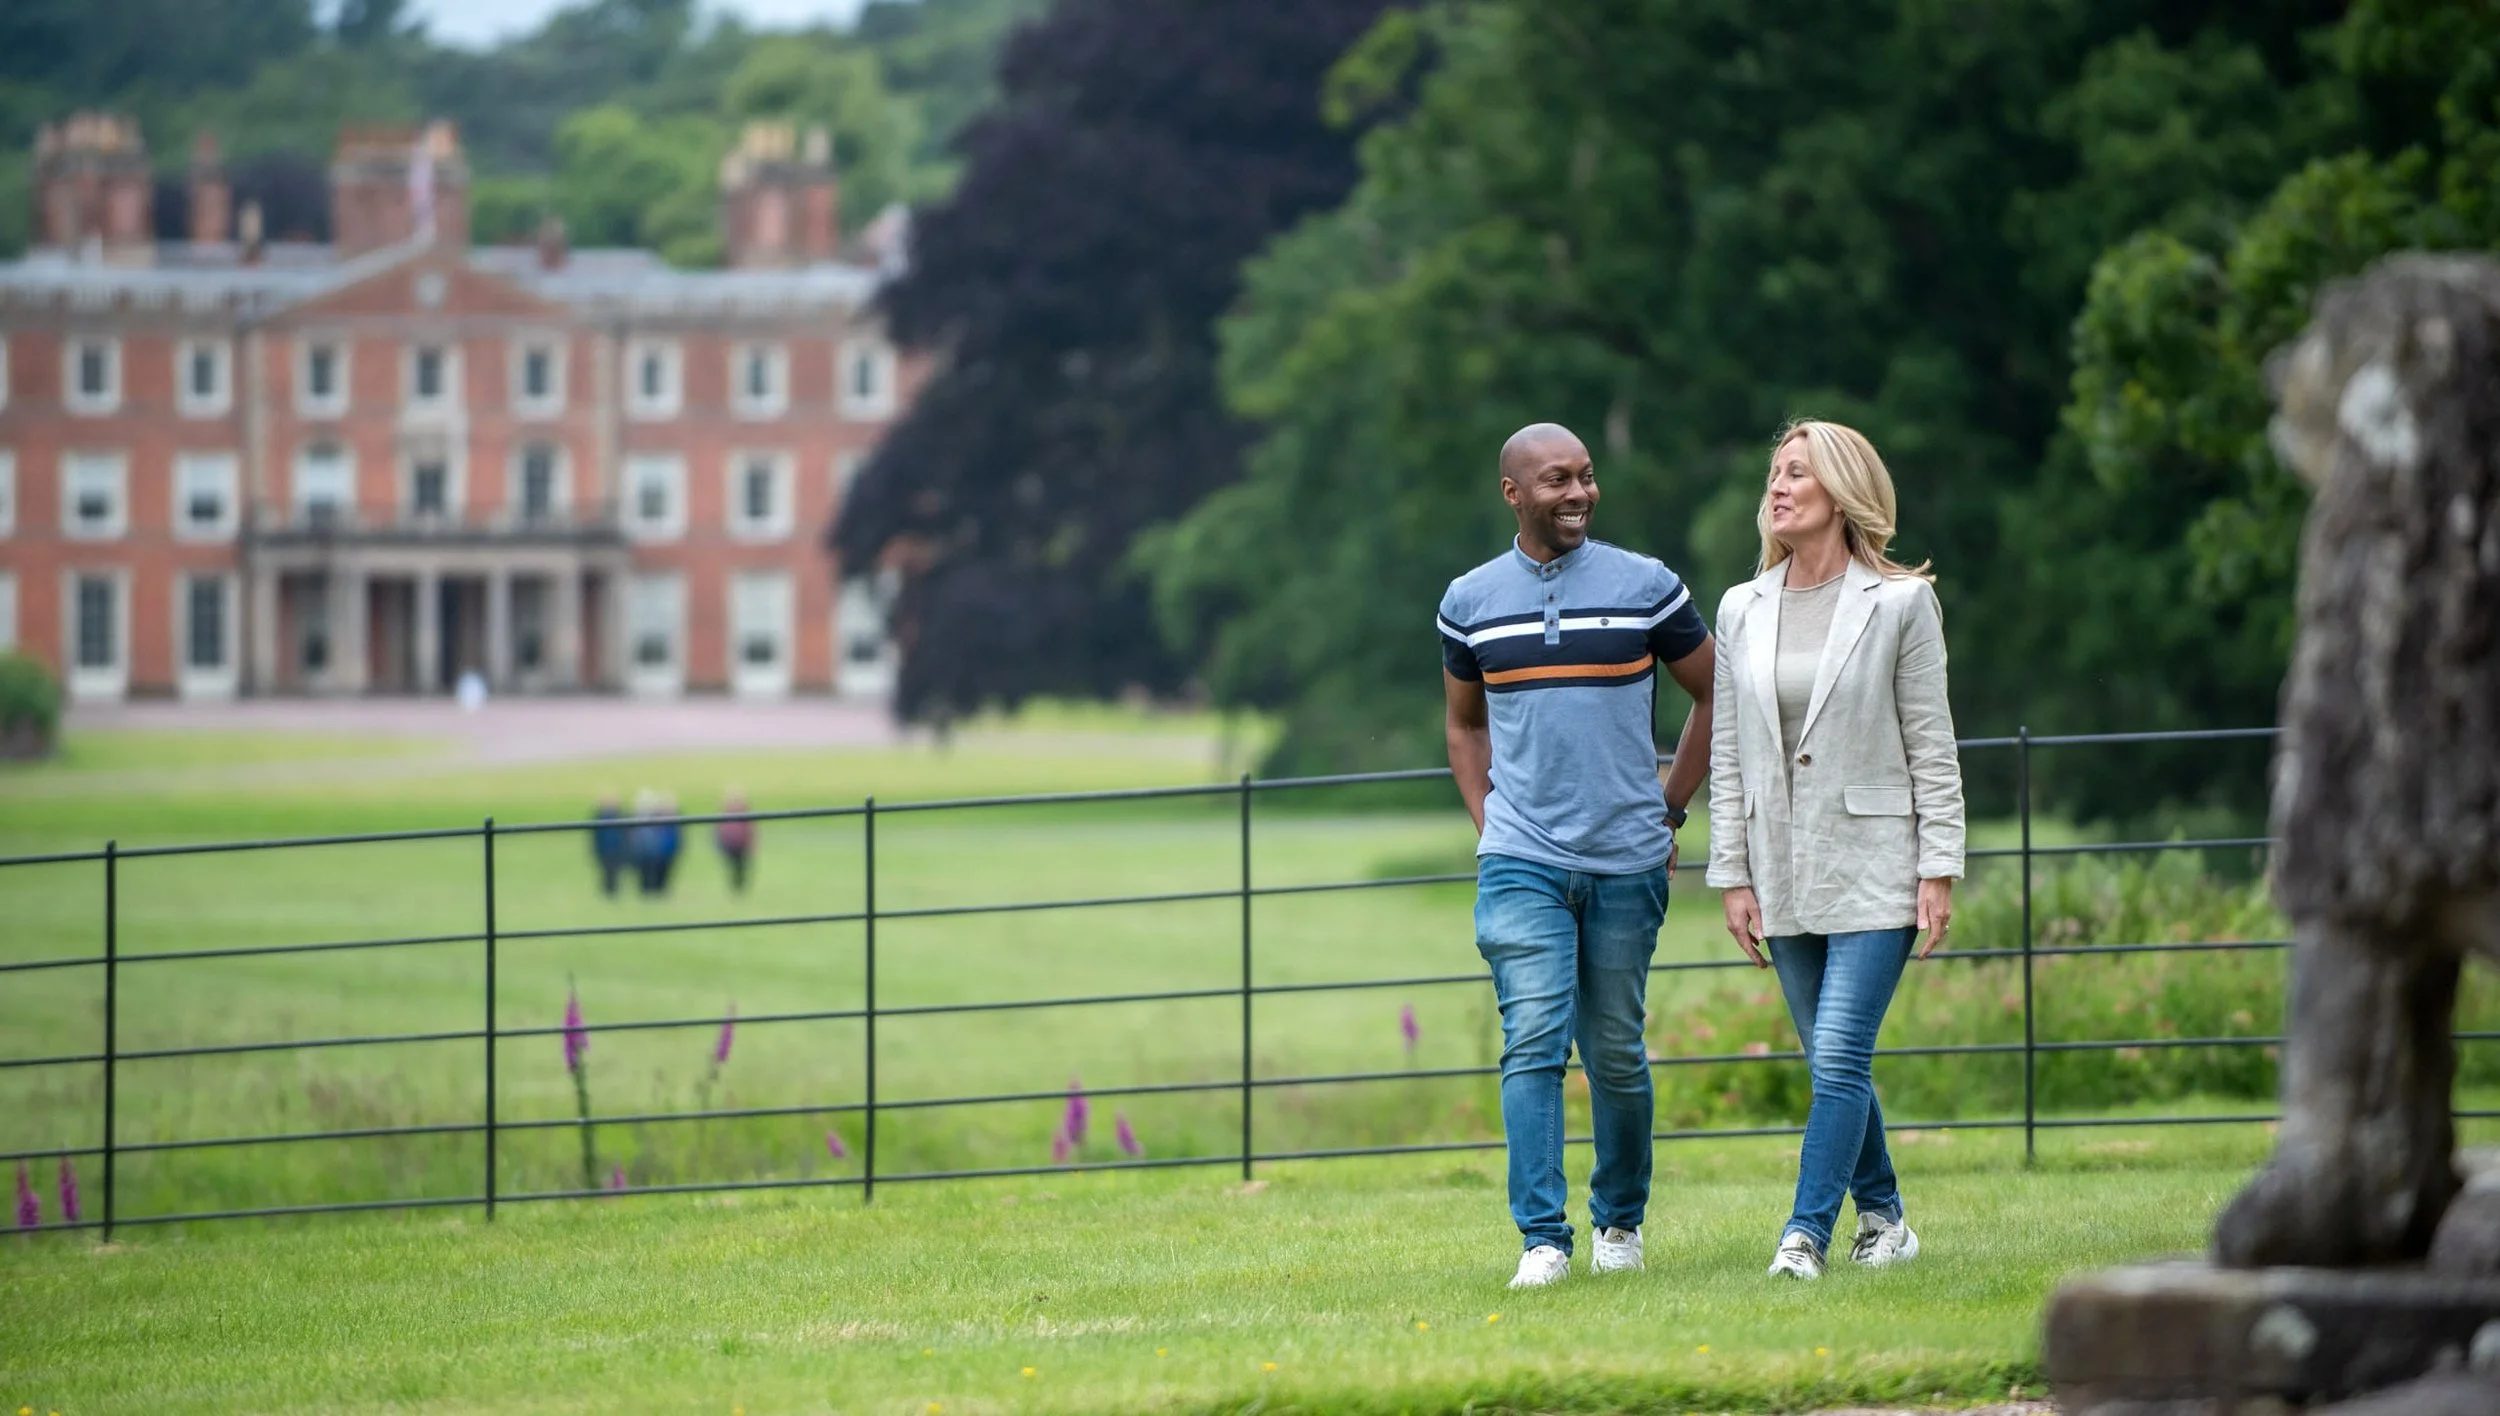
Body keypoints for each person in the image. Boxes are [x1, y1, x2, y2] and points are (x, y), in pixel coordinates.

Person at [1439, 422, 1717, 1289]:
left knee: (1615, 1053)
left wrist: (1670, 808)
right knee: (1531, 1041)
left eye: (1588, 478)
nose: (1579, 494)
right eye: (1557, 480)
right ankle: (1543, 1240)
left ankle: (1620, 1223)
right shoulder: (1469, 601)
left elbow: (1716, 693)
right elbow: (1464, 723)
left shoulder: (1648, 587)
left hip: (1628, 860)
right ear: (1513, 493)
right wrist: (1491, 824)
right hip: (1521, 858)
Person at [1704, 419, 1964, 1281]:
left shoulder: (1900, 603)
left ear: (1843, 493)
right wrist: (1732, 873)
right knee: (1830, 1061)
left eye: (1798, 476)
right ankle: (1885, 1218)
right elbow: (1729, 753)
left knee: (1842, 1054)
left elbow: (1932, 742)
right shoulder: (1742, 607)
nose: (1777, 488)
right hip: (1780, 866)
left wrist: (1939, 868)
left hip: (1878, 863)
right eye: (1773, 473)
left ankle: (1804, 1237)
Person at [715, 792, 755, 893]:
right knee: (733, 866)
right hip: (730, 845)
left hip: (742, 845)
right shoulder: (725, 813)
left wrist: (752, 844)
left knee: (741, 867)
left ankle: (739, 886)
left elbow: (750, 830)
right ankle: (735, 885)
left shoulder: (745, 812)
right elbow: (719, 830)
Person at [590, 794, 628, 898]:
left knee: (616, 873)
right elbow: (595, 837)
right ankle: (607, 892)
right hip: (605, 850)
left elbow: (625, 835)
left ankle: (614, 892)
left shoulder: (620, 815)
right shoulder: (599, 816)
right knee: (606, 872)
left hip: (617, 850)